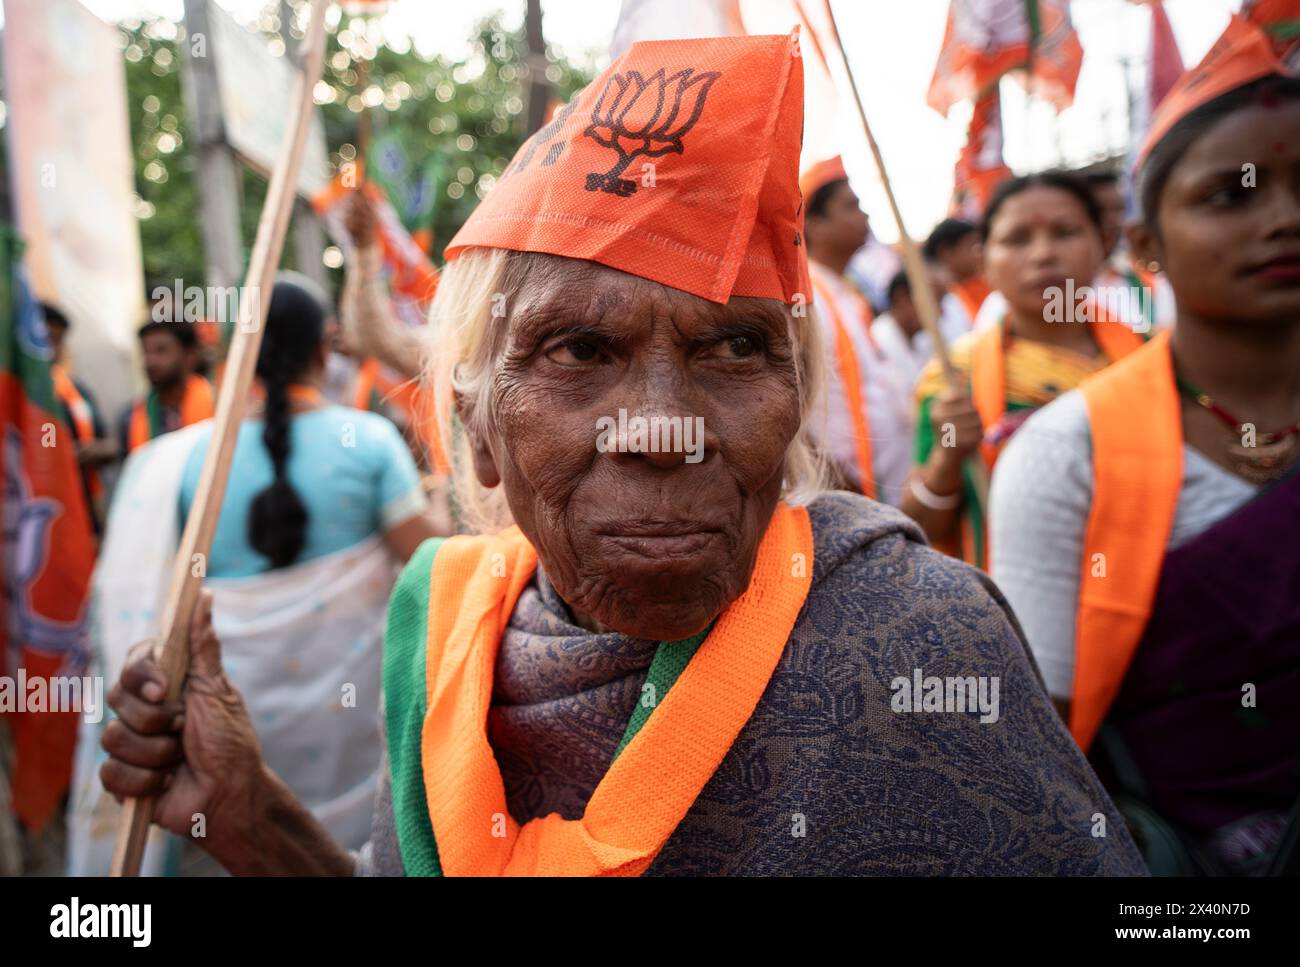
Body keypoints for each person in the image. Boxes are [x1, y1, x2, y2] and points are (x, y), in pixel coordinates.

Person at [95, 33, 1144, 877]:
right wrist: (255, 825)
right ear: (476, 431)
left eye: (735, 347)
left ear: (795, 410)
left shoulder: (915, 636)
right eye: (578, 349)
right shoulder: (441, 628)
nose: (661, 428)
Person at [990, 15, 1300, 875]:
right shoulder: (1066, 454)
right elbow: (1037, 755)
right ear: (1145, 245)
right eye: (1231, 195)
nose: (1283, 218)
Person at [66, 273, 444, 875]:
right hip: (351, 737)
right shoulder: (369, 443)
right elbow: (435, 565)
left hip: (229, 743)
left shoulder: (189, 464)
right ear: (325, 348)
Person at [902, 172, 1147, 569]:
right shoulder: (953, 377)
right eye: (1017, 239)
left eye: (1065, 232)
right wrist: (948, 459)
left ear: (1103, 243)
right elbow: (922, 527)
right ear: (984, 260)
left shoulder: (1154, 359)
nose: (1043, 254)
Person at [802, 156, 913, 505]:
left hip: (885, 493)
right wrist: (839, 490)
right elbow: (797, 414)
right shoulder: (807, 300)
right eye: (851, 206)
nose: (864, 216)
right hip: (846, 494)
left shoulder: (848, 293)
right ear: (814, 225)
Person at [40, 303, 114, 531]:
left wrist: (92, 451)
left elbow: (108, 445)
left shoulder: (77, 393)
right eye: (46, 339)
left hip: (81, 507)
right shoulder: (18, 395)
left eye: (58, 341)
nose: (53, 349)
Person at [1085, 170, 1177, 333]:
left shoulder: (1151, 276)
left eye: (1119, 209)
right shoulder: (1056, 291)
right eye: (1100, 210)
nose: (1114, 221)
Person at [119, 317, 215, 455]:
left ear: (190, 356)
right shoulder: (129, 419)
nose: (150, 360)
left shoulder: (218, 407)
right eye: (145, 351)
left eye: (161, 350)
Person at [871, 267, 968, 389]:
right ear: (903, 298)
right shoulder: (878, 343)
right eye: (936, 299)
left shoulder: (919, 343)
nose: (942, 312)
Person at [923, 217, 991, 327]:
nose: (978, 252)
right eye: (971, 244)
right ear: (945, 252)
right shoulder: (942, 302)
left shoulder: (985, 281)